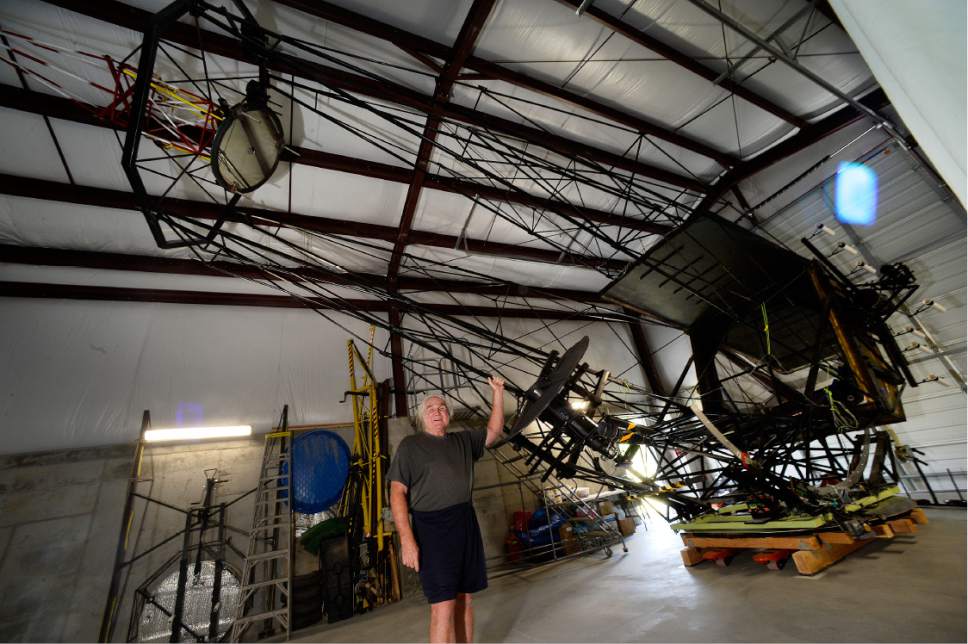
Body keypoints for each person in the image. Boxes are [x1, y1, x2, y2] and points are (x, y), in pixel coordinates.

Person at [387, 376, 506, 643]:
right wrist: (407, 539)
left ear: (449, 415)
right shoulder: (411, 447)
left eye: (441, 408)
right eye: (430, 409)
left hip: (465, 523)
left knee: (465, 598)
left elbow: (494, 432)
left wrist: (497, 394)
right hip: (432, 529)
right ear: (422, 417)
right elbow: (397, 493)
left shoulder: (462, 441)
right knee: (442, 604)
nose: (436, 412)